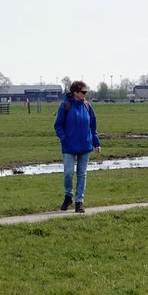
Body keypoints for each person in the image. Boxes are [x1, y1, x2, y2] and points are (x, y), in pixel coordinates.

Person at [53, 80, 101, 213]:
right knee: (68, 173)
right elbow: (58, 125)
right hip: (69, 146)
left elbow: (93, 125)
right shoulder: (65, 106)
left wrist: (96, 142)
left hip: (85, 145)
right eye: (83, 92)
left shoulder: (87, 106)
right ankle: (68, 196)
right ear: (75, 93)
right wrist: (64, 138)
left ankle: (79, 202)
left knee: (82, 174)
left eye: (86, 92)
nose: (85, 94)